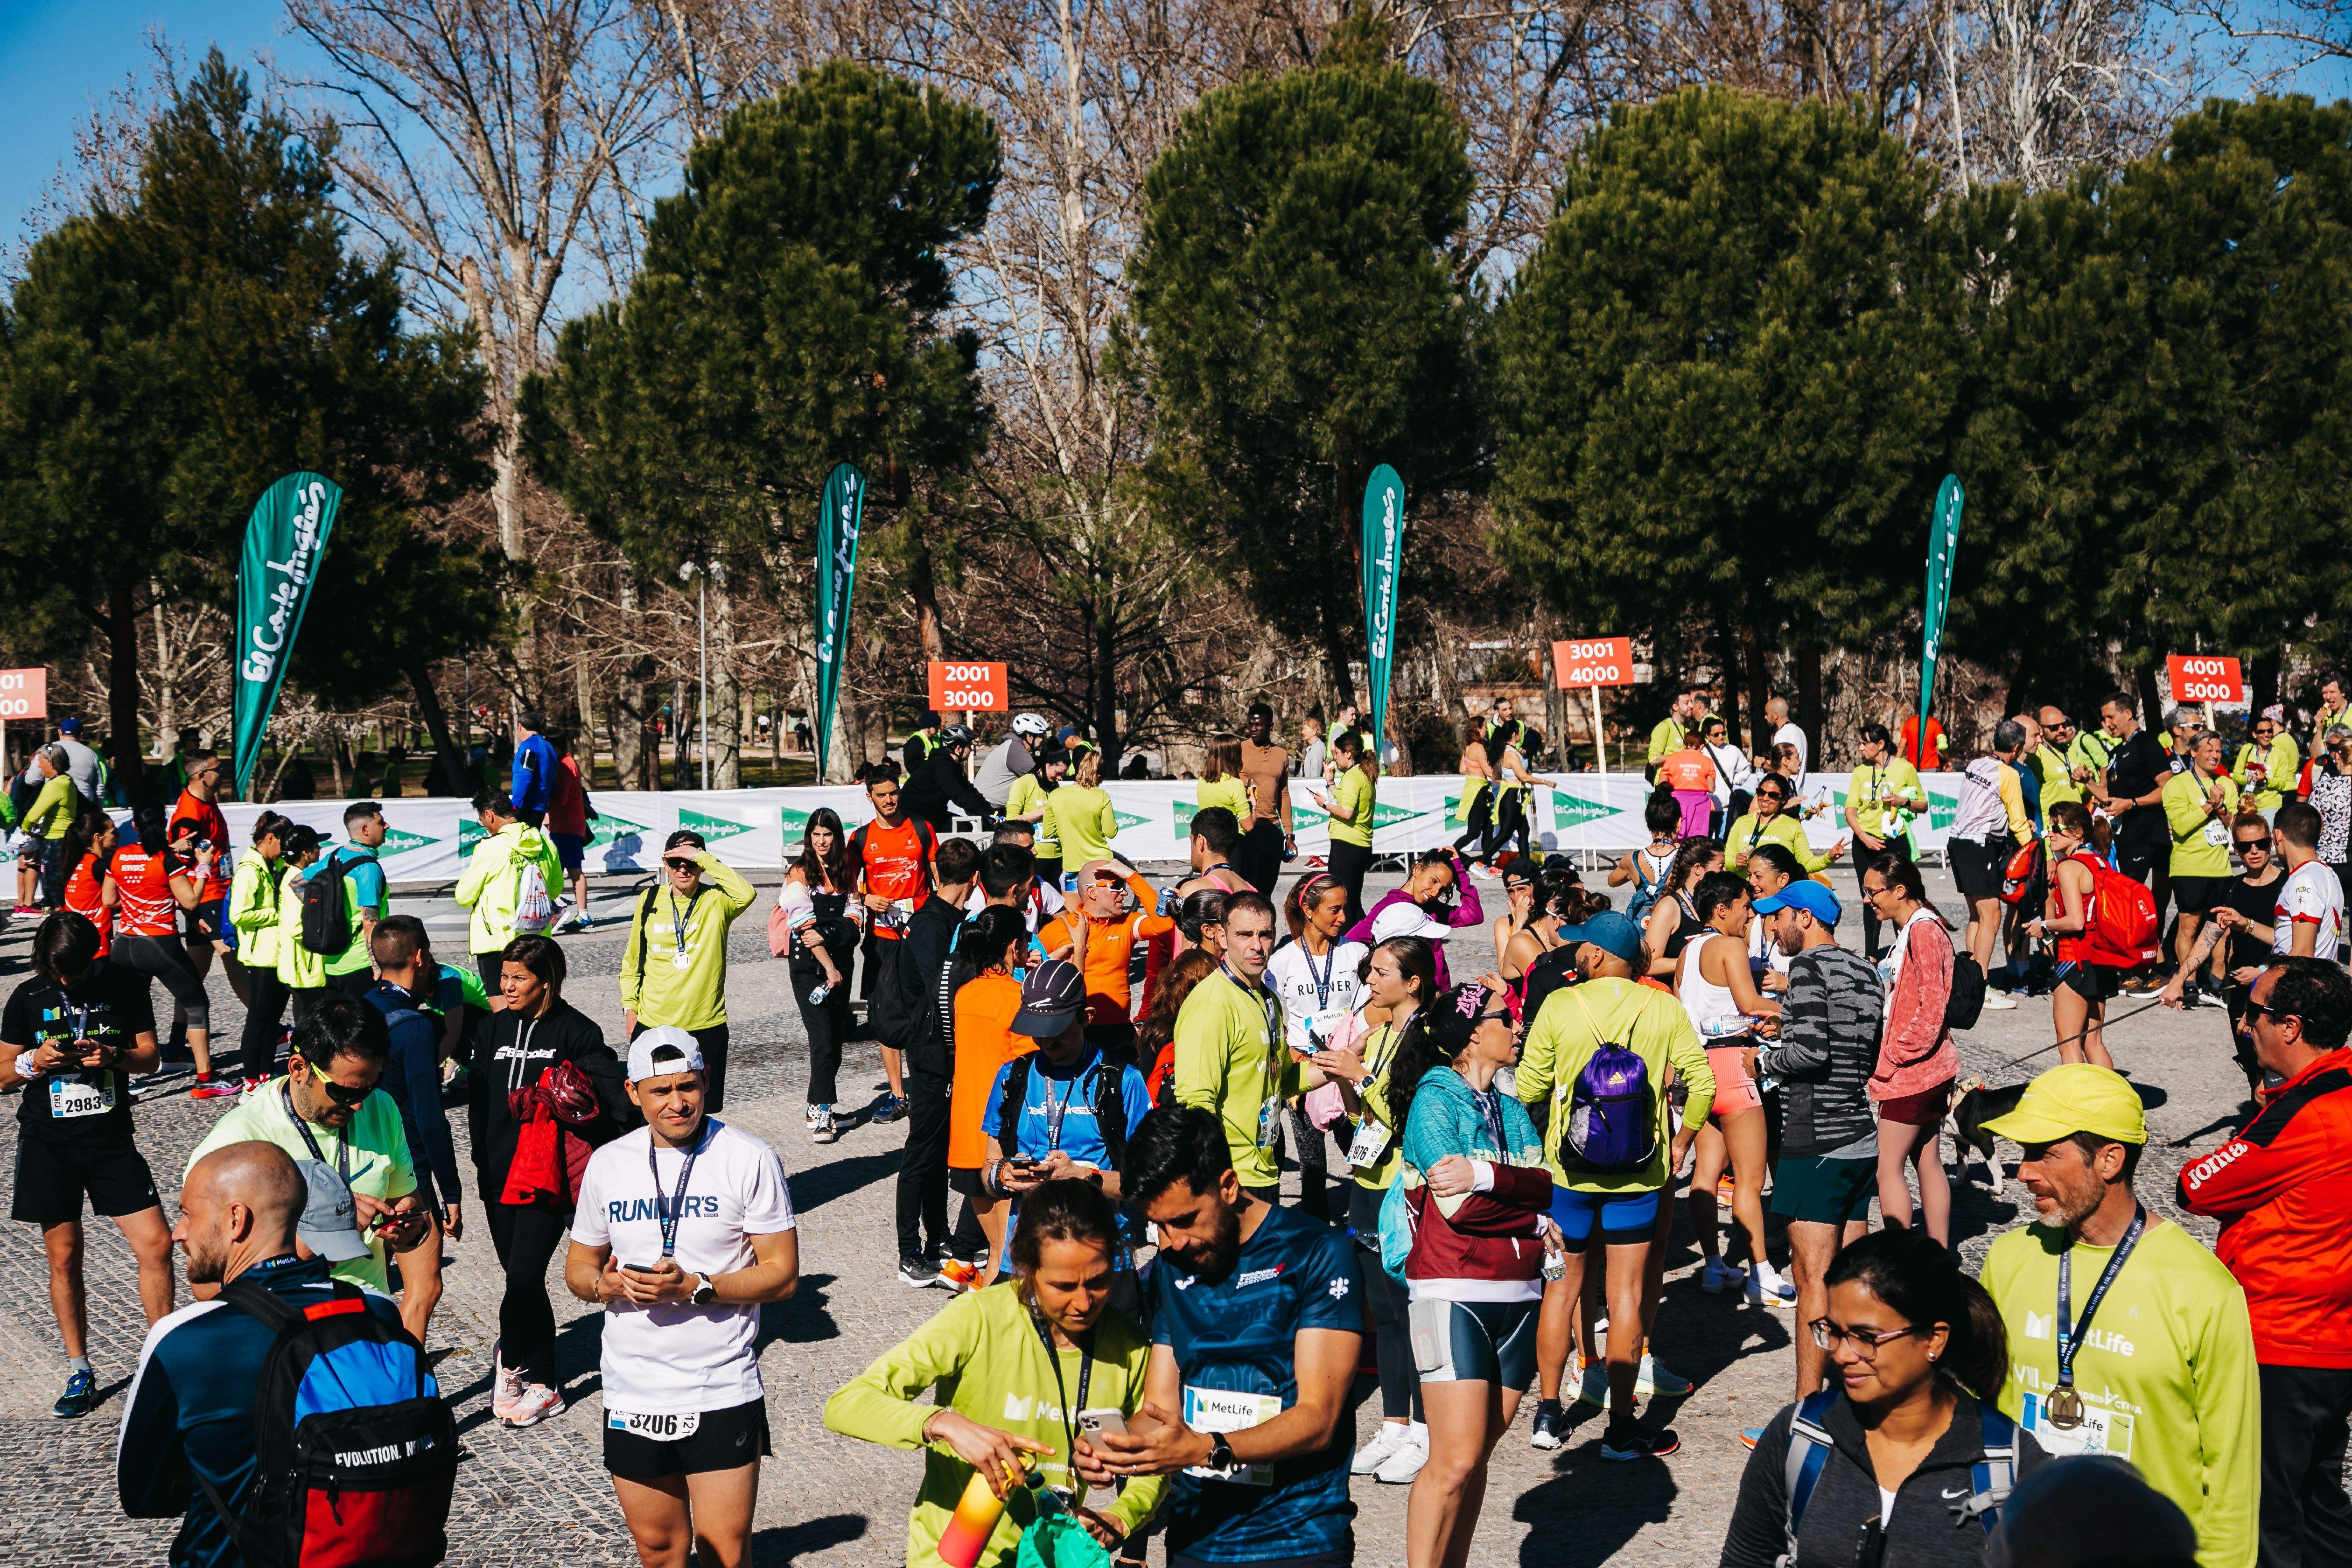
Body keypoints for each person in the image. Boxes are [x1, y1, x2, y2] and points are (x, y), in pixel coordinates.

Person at [1978, 1063, 2260, 1568]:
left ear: (2109, 1160)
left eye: (2044, 1153)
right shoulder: (2007, 1259)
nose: (2023, 1171)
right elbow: (1982, 1415)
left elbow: (2233, 1471)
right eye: (2022, 1154)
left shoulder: (2202, 1289)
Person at [116, 1141, 424, 1568]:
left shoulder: (183, 1340)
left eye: (187, 1213)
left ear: (236, 1219)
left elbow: (142, 1496)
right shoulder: (378, 1312)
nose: (177, 1233)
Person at [826, 1181, 1166, 1565]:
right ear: (1027, 1268)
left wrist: (1118, 1518)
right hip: (954, 1558)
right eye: (1063, 1286)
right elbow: (846, 1405)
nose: (1084, 1303)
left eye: (1100, 1281)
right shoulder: (977, 1319)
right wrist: (943, 1423)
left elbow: (1156, 1458)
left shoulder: (1131, 1345)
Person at [1087, 1106, 1364, 1568]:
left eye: (1185, 1219)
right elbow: (1160, 1412)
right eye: (1159, 1224)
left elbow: (1320, 1417)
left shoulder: (1317, 1253)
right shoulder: (1172, 1270)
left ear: (1229, 1186)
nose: (1172, 1241)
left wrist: (1208, 1448)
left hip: (1299, 1540)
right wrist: (1116, 1446)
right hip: (1198, 1538)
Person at [564, 1028, 799, 1568]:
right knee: (658, 1549)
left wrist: (699, 1287)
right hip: (632, 1388)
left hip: (720, 1385)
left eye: (688, 1087)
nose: (677, 1103)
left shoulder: (749, 1157)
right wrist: (607, 1285)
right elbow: (578, 1268)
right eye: (660, 1091)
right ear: (632, 1092)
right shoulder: (609, 1163)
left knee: (723, 1551)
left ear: (706, 1080)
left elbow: (783, 1275)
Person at [1720, 1227, 2048, 1568]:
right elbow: (1746, 1560)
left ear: (1934, 1340)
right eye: (1834, 1332)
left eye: (1865, 1336)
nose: (1842, 1355)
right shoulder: (1800, 1438)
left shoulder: (2009, 1465)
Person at [1518, 910, 1714, 1457]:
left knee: (1561, 1290)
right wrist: (1682, 1143)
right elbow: (1701, 1083)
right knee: (1625, 1295)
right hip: (1640, 1174)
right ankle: (1623, 1426)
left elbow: (1529, 1085)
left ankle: (1550, 1412)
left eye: (1583, 946)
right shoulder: (1663, 1007)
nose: (1576, 952)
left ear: (1600, 956)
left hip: (1570, 1174)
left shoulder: (1560, 1004)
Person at [2177, 958, 2352, 1566]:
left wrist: (2258, 1117)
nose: (2246, 1026)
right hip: (2333, 1337)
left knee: (2269, 1515)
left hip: (2282, 1340)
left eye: (2255, 1014)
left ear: (2291, 1027)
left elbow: (2196, 1185)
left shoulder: (2301, 1116)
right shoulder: (2339, 1088)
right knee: (2322, 1503)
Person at [1385, 980, 1553, 1568]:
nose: (1518, 1026)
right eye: (1505, 1018)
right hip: (1452, 1292)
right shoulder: (1436, 1097)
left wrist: (1485, 1177)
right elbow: (1458, 1209)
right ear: (1474, 1032)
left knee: (1477, 1455)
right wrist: (1519, 1203)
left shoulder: (1508, 1105)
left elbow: (1546, 1184)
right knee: (1453, 1460)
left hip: (1519, 1294)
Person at [2, 911, 173, 1418]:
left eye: (72, 974)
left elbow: (151, 1058)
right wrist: (35, 1063)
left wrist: (114, 1057)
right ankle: (81, 1369)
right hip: (48, 1142)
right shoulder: (27, 997)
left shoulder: (123, 986)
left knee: (157, 1245)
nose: (64, 982)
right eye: (56, 973)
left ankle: (163, 1362)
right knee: (65, 1256)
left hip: (111, 1141)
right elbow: (2, 1073)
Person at [469, 933, 634, 1427]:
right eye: (504, 976)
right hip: (497, 1174)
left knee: (522, 1275)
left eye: (519, 977)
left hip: (548, 1178)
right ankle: (537, 1371)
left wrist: (579, 1098)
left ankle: (521, 1366)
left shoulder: (577, 1031)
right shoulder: (491, 1029)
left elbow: (613, 1104)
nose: (508, 986)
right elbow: (479, 1102)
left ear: (546, 982)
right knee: (522, 1284)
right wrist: (479, 1160)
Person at [1756, 880, 1887, 1408]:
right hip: (1859, 1135)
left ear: (1805, 918)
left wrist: (1763, 1060)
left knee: (1812, 1278)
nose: (1771, 926)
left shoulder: (1806, 969)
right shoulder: (1866, 970)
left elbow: (1809, 1054)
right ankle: (1866, 1397)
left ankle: (1807, 1411)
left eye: (1778, 916)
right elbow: (1863, 1050)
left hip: (1816, 1141)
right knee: (1854, 1280)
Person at [1317, 935, 1438, 1482]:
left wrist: (1360, 1075)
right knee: (1384, 1313)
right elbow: (1360, 1114)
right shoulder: (1380, 1033)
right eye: (1370, 970)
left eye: (1381, 972)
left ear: (1412, 982)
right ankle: (1393, 1425)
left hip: (1403, 1188)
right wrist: (1347, 1077)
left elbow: (1411, 1114)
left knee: (1413, 1311)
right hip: (1366, 1179)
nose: (1369, 979)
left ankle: (1427, 1431)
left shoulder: (1425, 1039)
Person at [982, 961, 1154, 1263]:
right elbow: (988, 1170)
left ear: (1086, 1019)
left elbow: (1148, 1184)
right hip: (1028, 1258)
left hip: (1100, 1260)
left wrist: (1085, 1178)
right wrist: (1004, 1176)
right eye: (1038, 1031)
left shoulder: (1124, 1082)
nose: (1047, 1041)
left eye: (1057, 1029)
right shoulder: (1012, 1078)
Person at [1676, 871, 1793, 1307]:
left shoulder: (1688, 952)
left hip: (1696, 1069)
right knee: (1749, 1180)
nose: (1751, 916)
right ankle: (1761, 1275)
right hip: (1733, 1064)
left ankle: (1713, 1265)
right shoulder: (1729, 946)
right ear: (1721, 909)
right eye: (1746, 906)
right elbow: (1750, 1004)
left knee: (1705, 1177)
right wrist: (1800, 1012)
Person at [362, 917, 464, 1344]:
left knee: (370, 1286)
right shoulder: (416, 1026)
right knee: (424, 1288)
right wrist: (452, 1191)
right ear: (420, 957)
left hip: (354, 1164)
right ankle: (407, 1390)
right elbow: (429, 1117)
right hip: (404, 1170)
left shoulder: (360, 1007)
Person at [1852, 859, 1958, 1242]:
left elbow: (1932, 1007)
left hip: (1915, 1071)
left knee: (1886, 1166)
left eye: (1872, 892)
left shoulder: (1924, 931)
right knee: (1928, 1160)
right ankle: (1939, 1252)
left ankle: (1902, 1253)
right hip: (1929, 1068)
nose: (1867, 900)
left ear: (1899, 891)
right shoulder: (1917, 927)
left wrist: (1894, 1054)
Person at [619, 830, 757, 1113]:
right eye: (676, 862)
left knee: (700, 1110)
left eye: (691, 862)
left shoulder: (718, 900)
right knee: (654, 1108)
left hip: (705, 1024)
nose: (684, 868)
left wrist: (704, 858)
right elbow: (633, 960)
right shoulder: (649, 899)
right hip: (654, 1021)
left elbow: (747, 893)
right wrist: (630, 1008)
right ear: (665, 864)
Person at [1171, 890, 1292, 1206]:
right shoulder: (1212, 1003)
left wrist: (1337, 1066)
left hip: (1264, 1167)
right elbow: (1195, 1100)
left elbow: (1280, 1078)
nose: (1257, 946)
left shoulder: (1266, 997)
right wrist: (1216, 1177)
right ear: (1222, 937)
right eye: (1245, 935)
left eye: (1265, 935)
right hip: (1230, 1177)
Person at [109, 801, 230, 1096]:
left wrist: (139, 896)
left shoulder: (120, 856)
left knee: (124, 1012)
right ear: (163, 826)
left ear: (134, 827)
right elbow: (189, 901)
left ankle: (122, 1085)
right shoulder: (167, 859)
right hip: (159, 944)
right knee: (197, 1005)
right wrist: (202, 865)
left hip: (124, 945)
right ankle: (205, 1079)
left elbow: (108, 900)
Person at [946, 906, 1034, 1285]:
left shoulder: (966, 994)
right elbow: (1027, 1068)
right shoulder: (1017, 997)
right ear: (1014, 946)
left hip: (967, 1130)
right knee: (1007, 1252)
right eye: (1026, 941)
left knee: (997, 1247)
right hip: (1001, 1134)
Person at [772, 808, 863, 1142]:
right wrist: (829, 966)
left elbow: (856, 916)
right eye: (816, 834)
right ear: (808, 838)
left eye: (828, 834)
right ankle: (823, 1113)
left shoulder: (845, 871)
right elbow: (805, 929)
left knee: (837, 1038)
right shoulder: (799, 873)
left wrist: (836, 934)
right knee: (822, 1039)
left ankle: (815, 1104)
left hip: (842, 964)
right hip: (812, 968)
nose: (822, 841)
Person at [854, 767, 937, 1123]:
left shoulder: (921, 828)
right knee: (885, 1017)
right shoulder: (861, 838)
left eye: (894, 792)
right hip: (882, 939)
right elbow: (845, 886)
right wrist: (866, 897)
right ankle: (897, 1094)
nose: (889, 800)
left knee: (927, 1010)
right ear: (869, 797)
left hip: (918, 935)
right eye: (882, 794)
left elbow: (938, 879)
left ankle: (928, 1085)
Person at [1042, 858, 1176, 1066]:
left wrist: (1131, 877)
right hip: (1076, 1029)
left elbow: (1164, 924)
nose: (1124, 893)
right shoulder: (1058, 930)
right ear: (1092, 892)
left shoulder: (1126, 923)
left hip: (1119, 1029)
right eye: (1117, 886)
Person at [1947, 723, 2036, 1011]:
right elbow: (2018, 820)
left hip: (1958, 842)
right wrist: (2032, 849)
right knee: (1993, 916)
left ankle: (1969, 980)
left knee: (1977, 914)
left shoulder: (1976, 763)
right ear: (2017, 749)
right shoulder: (2009, 774)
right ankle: (1980, 987)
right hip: (1978, 845)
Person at [2028, 802, 2123, 1070]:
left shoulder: (2070, 867)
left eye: (2057, 828)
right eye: (2050, 827)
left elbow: (2076, 921)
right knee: (2093, 1042)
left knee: (2068, 1042)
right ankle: (2109, 1101)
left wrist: (2044, 925)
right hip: (2102, 956)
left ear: (2078, 832)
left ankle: (2078, 1108)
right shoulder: (2099, 861)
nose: (2051, 834)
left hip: (2076, 958)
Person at [455, 790, 563, 1005]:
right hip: (537, 936)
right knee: (539, 1004)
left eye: (482, 820)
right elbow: (554, 890)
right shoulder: (544, 843)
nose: (484, 825)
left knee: (503, 1010)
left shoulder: (490, 847)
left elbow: (464, 896)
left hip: (497, 940)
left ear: (489, 815)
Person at [2163, 728, 2240, 1002]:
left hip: (2221, 869)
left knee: (2222, 927)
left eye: (2219, 751)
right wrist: (2210, 805)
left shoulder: (2227, 784)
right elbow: (2181, 826)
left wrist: (2221, 808)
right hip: (2190, 868)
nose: (2215, 756)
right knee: (2190, 928)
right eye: (2209, 750)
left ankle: (2217, 981)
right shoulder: (2177, 785)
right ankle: (2189, 982)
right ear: (2194, 752)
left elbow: (2235, 825)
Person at [1845, 722, 1928, 960]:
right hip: (1864, 845)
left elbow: (1923, 805)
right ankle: (1871, 955)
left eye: (1865, 743)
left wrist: (1903, 801)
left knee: (1898, 896)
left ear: (1881, 744)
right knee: (1870, 897)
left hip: (1894, 842)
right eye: (1860, 743)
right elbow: (1850, 811)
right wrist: (1863, 836)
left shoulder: (1904, 768)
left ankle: (1904, 950)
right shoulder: (1861, 772)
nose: (1860, 748)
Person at [1346, 848, 1485, 989]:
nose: (1436, 892)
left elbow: (1474, 915)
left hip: (1440, 994)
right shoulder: (1389, 907)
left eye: (1443, 889)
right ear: (1418, 870)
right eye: (1434, 881)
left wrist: (1459, 870)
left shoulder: (1433, 908)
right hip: (1413, 997)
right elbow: (1350, 943)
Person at [169, 750, 244, 1008]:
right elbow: (176, 865)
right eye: (218, 770)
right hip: (208, 897)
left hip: (219, 891)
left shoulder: (207, 799)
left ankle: (177, 1043)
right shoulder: (189, 815)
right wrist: (191, 911)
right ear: (201, 776)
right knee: (232, 957)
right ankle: (266, 1025)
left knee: (195, 973)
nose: (223, 775)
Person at [226, 812, 294, 1076]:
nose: (284, 853)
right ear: (269, 838)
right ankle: (252, 1077)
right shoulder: (249, 871)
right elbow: (239, 915)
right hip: (261, 956)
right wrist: (277, 914)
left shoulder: (271, 865)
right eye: (282, 846)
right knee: (259, 1019)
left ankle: (265, 1072)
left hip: (276, 954)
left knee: (271, 1020)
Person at [1311, 729, 1377, 924]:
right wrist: (1331, 783)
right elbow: (1346, 802)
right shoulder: (1362, 773)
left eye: (1338, 754)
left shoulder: (1352, 776)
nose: (1335, 759)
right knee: (1353, 900)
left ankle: (1350, 940)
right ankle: (1366, 937)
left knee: (1343, 901)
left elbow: (1346, 812)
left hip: (1348, 845)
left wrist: (1324, 804)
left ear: (1348, 753)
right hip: (1360, 845)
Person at [1723, 773, 1844, 879]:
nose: (1765, 798)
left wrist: (1829, 857)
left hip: (1778, 895)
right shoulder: (1742, 822)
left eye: (1773, 795)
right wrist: (1735, 861)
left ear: (1784, 799)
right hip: (1746, 893)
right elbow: (1727, 859)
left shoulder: (1792, 825)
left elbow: (1806, 864)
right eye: (1761, 792)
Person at [270, 825, 329, 1028]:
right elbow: (296, 926)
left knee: (304, 1022)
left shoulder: (289, 872)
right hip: (304, 968)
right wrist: (325, 940)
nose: (320, 849)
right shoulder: (297, 880)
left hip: (297, 965)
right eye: (316, 845)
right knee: (311, 1026)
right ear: (305, 852)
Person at [1642, 837, 1722, 979]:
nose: (1725, 872)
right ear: (1698, 869)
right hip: (1674, 995)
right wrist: (1698, 961)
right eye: (1720, 867)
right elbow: (1650, 964)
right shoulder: (1670, 907)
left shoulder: (1716, 903)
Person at [1237, 703, 1295, 896]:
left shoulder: (1281, 755)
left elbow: (1284, 795)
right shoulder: (1239, 750)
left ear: (1271, 726)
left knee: (1266, 893)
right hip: (1247, 830)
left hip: (1272, 831)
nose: (1253, 729)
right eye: (1251, 724)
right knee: (1246, 892)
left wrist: (1289, 835)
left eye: (1259, 725)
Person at [1041, 747, 1120, 882]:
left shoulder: (1056, 796)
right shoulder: (1102, 796)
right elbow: (1111, 832)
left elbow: (1048, 832)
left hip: (1073, 866)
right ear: (1099, 777)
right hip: (1101, 865)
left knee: (1072, 903)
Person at [21, 744, 84, 910]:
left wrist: (26, 829)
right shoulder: (66, 781)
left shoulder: (56, 784)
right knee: (56, 877)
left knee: (52, 880)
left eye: (40, 762)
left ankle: (57, 911)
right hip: (62, 836)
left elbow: (33, 814)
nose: (39, 765)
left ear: (52, 763)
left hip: (55, 838)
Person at [904, 723, 994, 833]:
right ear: (958, 749)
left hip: (934, 814)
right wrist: (985, 815)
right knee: (962, 829)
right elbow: (959, 796)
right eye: (969, 746)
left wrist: (992, 813)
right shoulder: (941, 765)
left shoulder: (953, 765)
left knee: (964, 827)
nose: (971, 750)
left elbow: (970, 791)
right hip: (914, 816)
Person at [547, 728, 595, 930]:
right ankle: (578, 913)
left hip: (567, 826)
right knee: (569, 869)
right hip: (566, 825)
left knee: (571, 869)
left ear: (556, 748)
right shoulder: (565, 763)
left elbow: (561, 799)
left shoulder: (565, 766)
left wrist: (544, 793)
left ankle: (577, 914)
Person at [1004, 745, 1066, 882]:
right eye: (1057, 773)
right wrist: (1044, 812)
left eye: (1063, 774)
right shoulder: (1024, 784)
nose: (1060, 778)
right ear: (1047, 765)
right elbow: (1011, 821)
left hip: (1057, 855)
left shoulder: (1054, 786)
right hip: (1035, 856)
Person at [974, 711, 1050, 810]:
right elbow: (1041, 777)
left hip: (991, 804)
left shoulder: (1013, 745)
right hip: (991, 807)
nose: (1044, 740)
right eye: (1041, 736)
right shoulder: (1015, 750)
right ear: (1029, 737)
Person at [2237, 707, 2300, 818]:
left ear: (2273, 722)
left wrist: (2266, 781)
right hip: (2290, 791)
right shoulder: (2289, 738)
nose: (2266, 734)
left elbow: (2280, 780)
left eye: (2265, 721)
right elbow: (2237, 774)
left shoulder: (2278, 742)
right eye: (2261, 730)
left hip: (2280, 794)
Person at [1646, 686, 1710, 779]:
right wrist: (1681, 757)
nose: (1691, 706)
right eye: (1687, 703)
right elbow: (1654, 759)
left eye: (1691, 702)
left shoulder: (1688, 730)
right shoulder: (1664, 727)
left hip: (1682, 784)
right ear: (1675, 707)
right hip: (1666, 785)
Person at [510, 710, 558, 827]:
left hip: (526, 806)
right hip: (541, 806)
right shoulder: (548, 746)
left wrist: (515, 804)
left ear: (520, 727)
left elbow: (524, 775)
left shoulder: (529, 746)